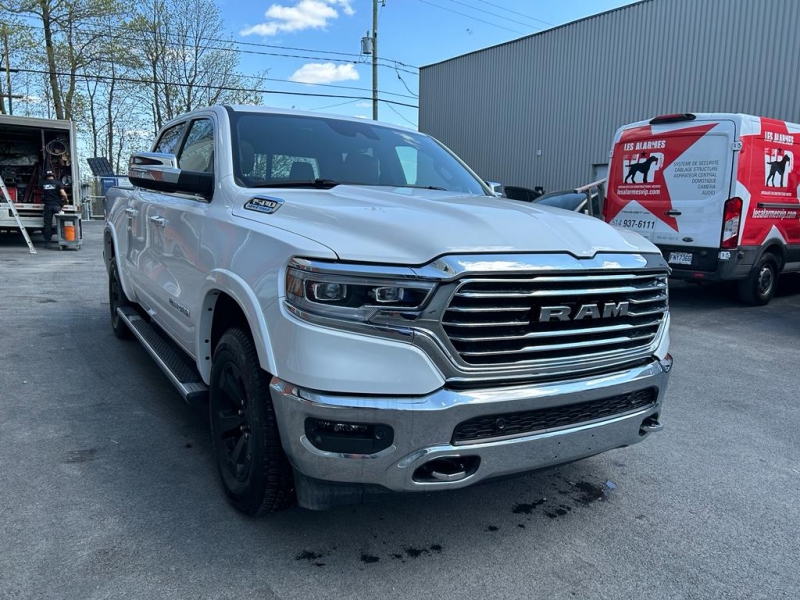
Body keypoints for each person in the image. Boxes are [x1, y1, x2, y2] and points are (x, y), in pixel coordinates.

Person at [42, 170, 68, 248]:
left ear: (46, 176)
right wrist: (66, 200)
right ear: (53, 175)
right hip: (57, 206)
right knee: (61, 223)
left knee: (47, 224)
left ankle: (47, 242)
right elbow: (63, 194)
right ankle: (63, 241)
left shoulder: (43, 183)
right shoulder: (58, 183)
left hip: (47, 206)